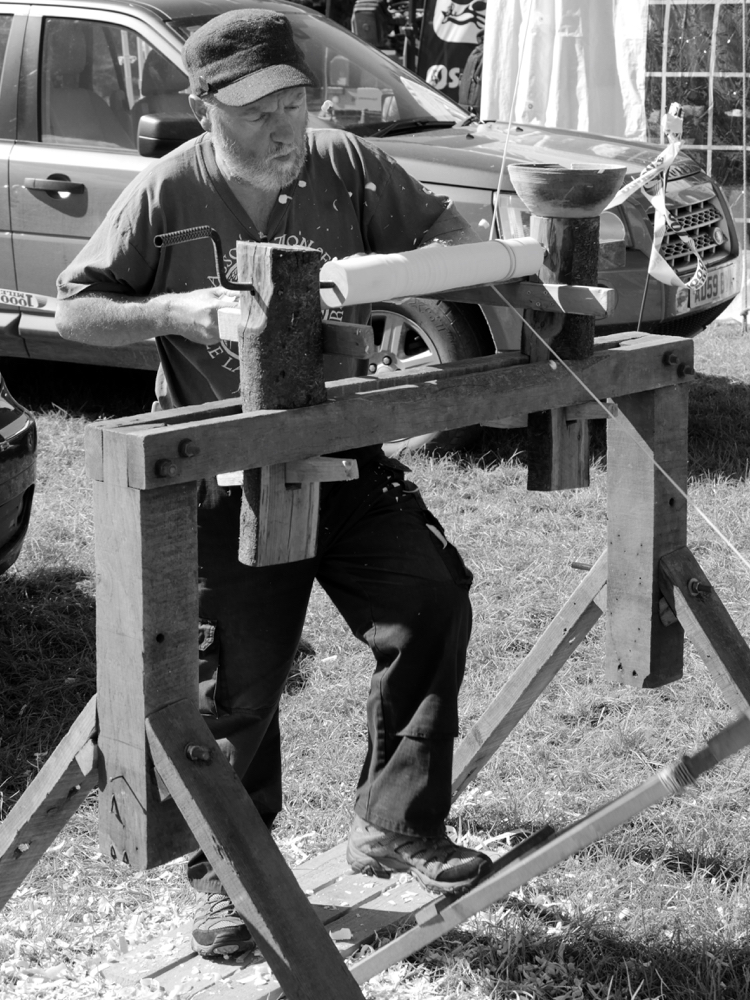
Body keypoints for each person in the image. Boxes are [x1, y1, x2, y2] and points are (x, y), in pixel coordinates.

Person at [56, 9, 490, 960]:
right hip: (222, 474)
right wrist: (174, 308)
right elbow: (74, 310)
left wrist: (405, 272)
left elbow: (452, 240)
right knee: (239, 685)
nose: (283, 125)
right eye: (256, 110)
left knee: (431, 603)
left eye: (295, 101)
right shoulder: (169, 188)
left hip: (348, 454)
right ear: (203, 105)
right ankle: (228, 873)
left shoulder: (350, 164)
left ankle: (396, 823)